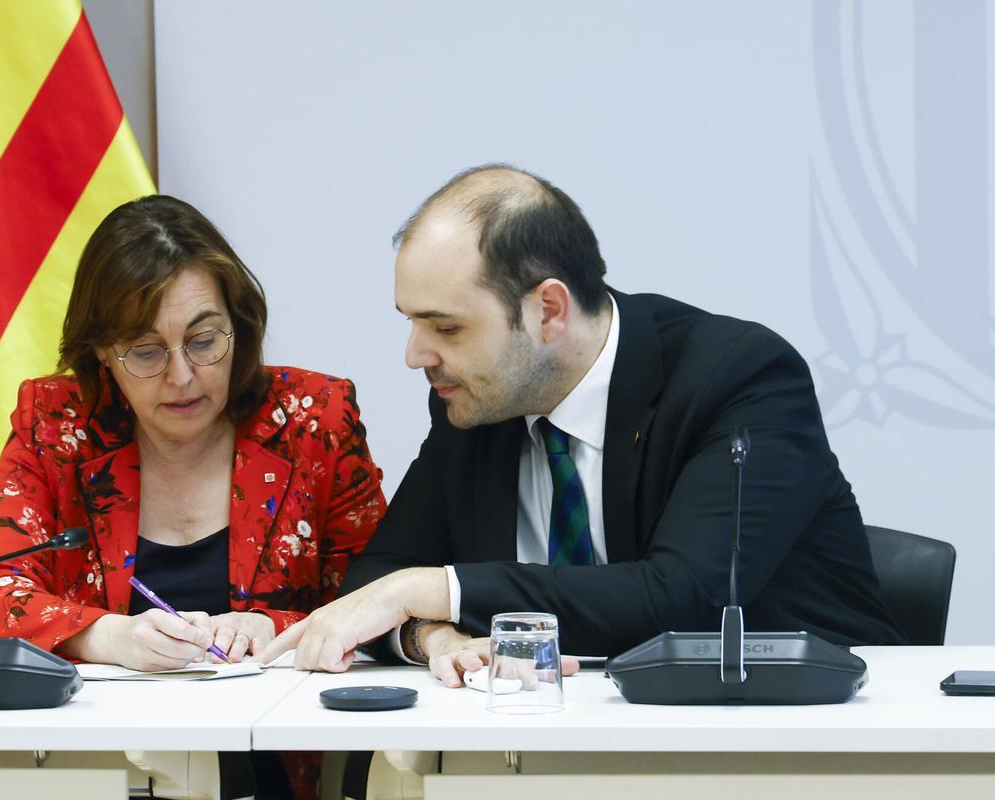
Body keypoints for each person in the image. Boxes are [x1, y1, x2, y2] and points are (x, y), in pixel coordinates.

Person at [261, 164, 904, 686]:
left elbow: (685, 601)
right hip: (564, 743)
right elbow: (380, 581)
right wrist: (434, 633)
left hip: (797, 739)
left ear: (548, 310)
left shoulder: (740, 379)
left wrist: (436, 589)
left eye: (445, 327)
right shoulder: (473, 403)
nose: (416, 355)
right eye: (411, 322)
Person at [0, 194, 385, 798]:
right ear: (104, 352)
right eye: (146, 351)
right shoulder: (57, 424)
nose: (181, 376)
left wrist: (274, 629)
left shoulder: (313, 421)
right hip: (98, 777)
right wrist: (107, 637)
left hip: (280, 776)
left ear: (239, 326)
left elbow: (383, 604)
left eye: (204, 340)